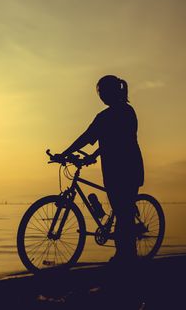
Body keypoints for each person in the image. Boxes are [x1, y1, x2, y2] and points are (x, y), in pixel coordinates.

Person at [53, 75, 144, 264]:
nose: (101, 95)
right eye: (99, 92)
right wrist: (85, 156)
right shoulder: (114, 114)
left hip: (125, 168)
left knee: (123, 212)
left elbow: (111, 139)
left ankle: (127, 258)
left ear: (112, 91)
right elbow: (98, 139)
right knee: (121, 210)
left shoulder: (118, 114)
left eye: (102, 91)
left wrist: (70, 153)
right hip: (116, 168)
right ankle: (126, 256)